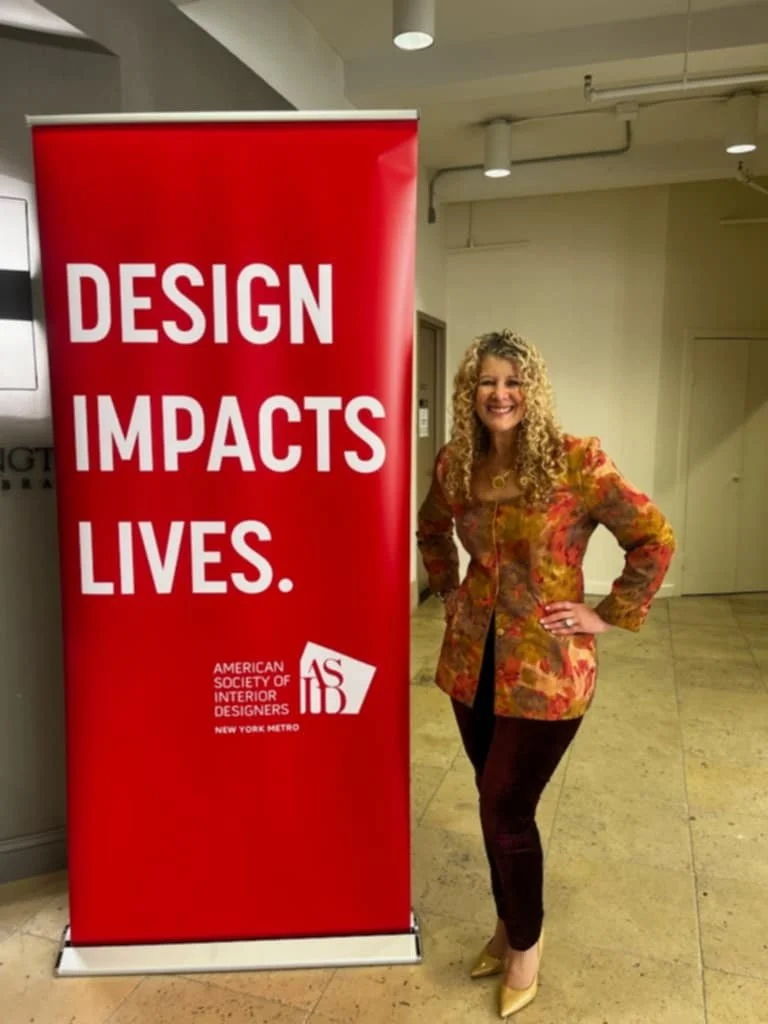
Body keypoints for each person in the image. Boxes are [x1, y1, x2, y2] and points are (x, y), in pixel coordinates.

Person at [416, 329, 675, 1019]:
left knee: (507, 808)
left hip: (548, 670)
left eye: (513, 381)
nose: (500, 394)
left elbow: (653, 537)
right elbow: (431, 527)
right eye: (487, 381)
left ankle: (525, 947)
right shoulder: (456, 463)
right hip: (473, 663)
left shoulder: (575, 461)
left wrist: (606, 613)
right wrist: (447, 586)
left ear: (532, 391)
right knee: (489, 799)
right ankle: (505, 929)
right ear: (470, 391)